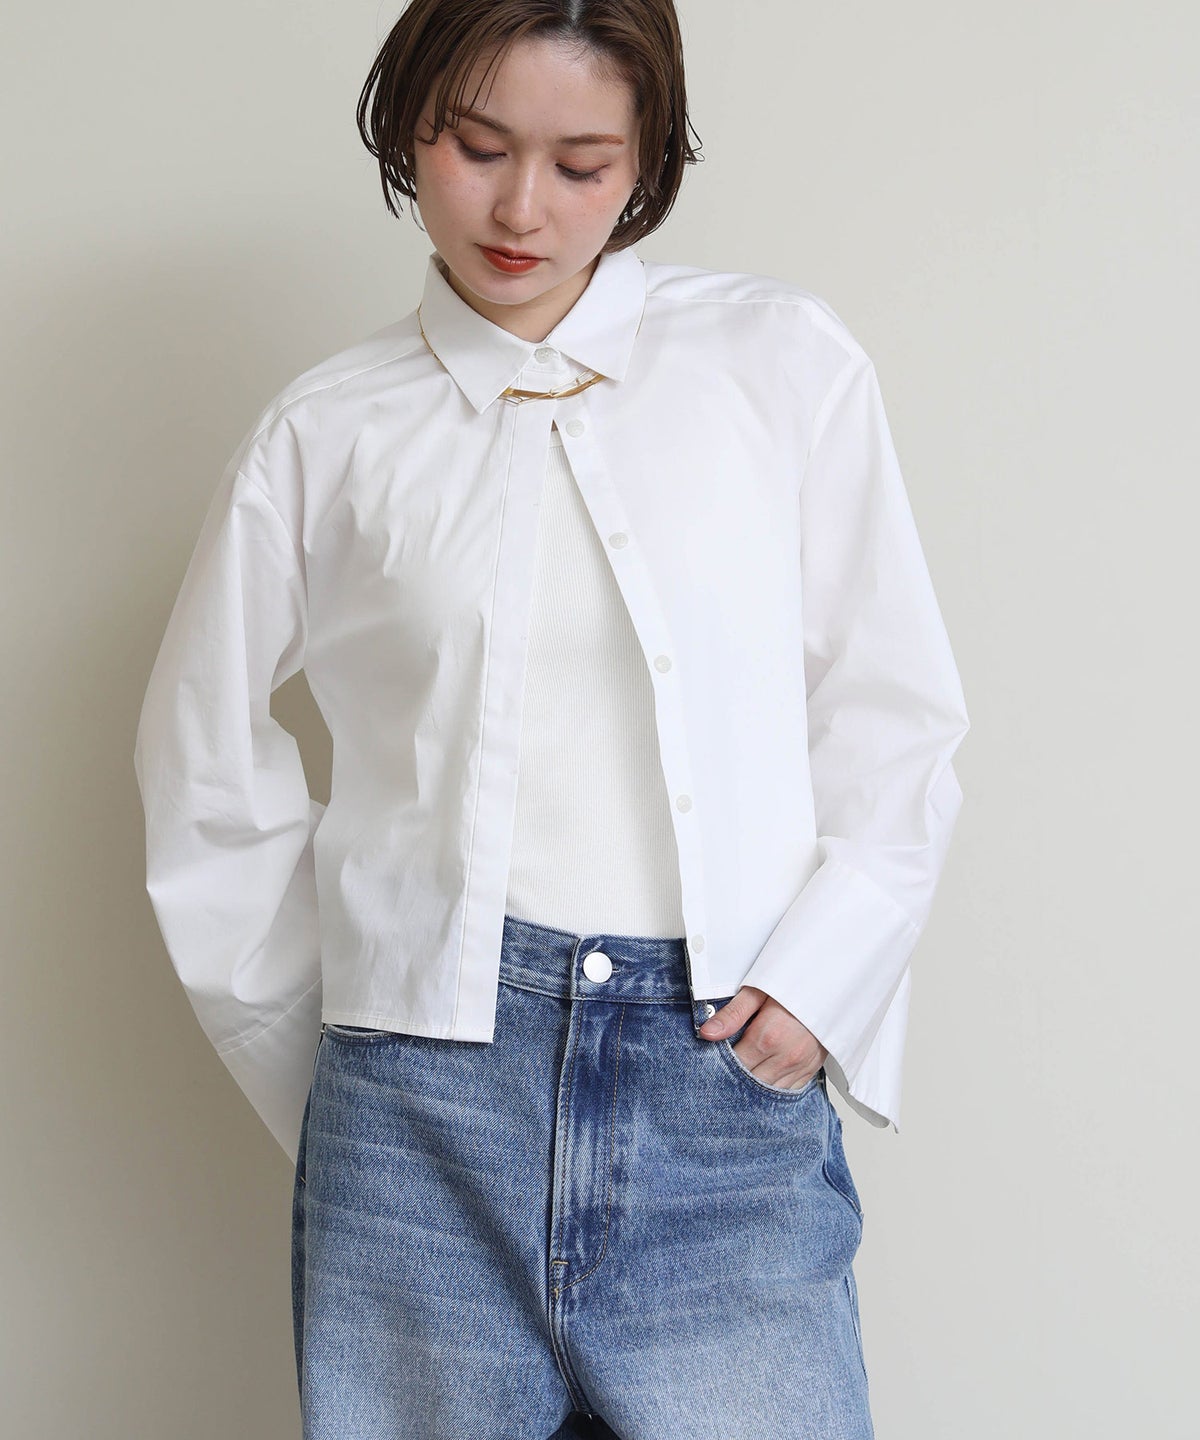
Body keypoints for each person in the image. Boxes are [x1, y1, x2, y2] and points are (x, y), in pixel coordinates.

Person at [133, 1, 969, 1435]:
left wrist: (824, 981)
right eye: (478, 147)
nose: (522, 210)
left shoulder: (779, 363)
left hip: (723, 1091)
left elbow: (889, 705)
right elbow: (199, 767)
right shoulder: (326, 433)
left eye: (583, 165)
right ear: (409, 129)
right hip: (419, 1120)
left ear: (648, 162)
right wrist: (352, 1054)